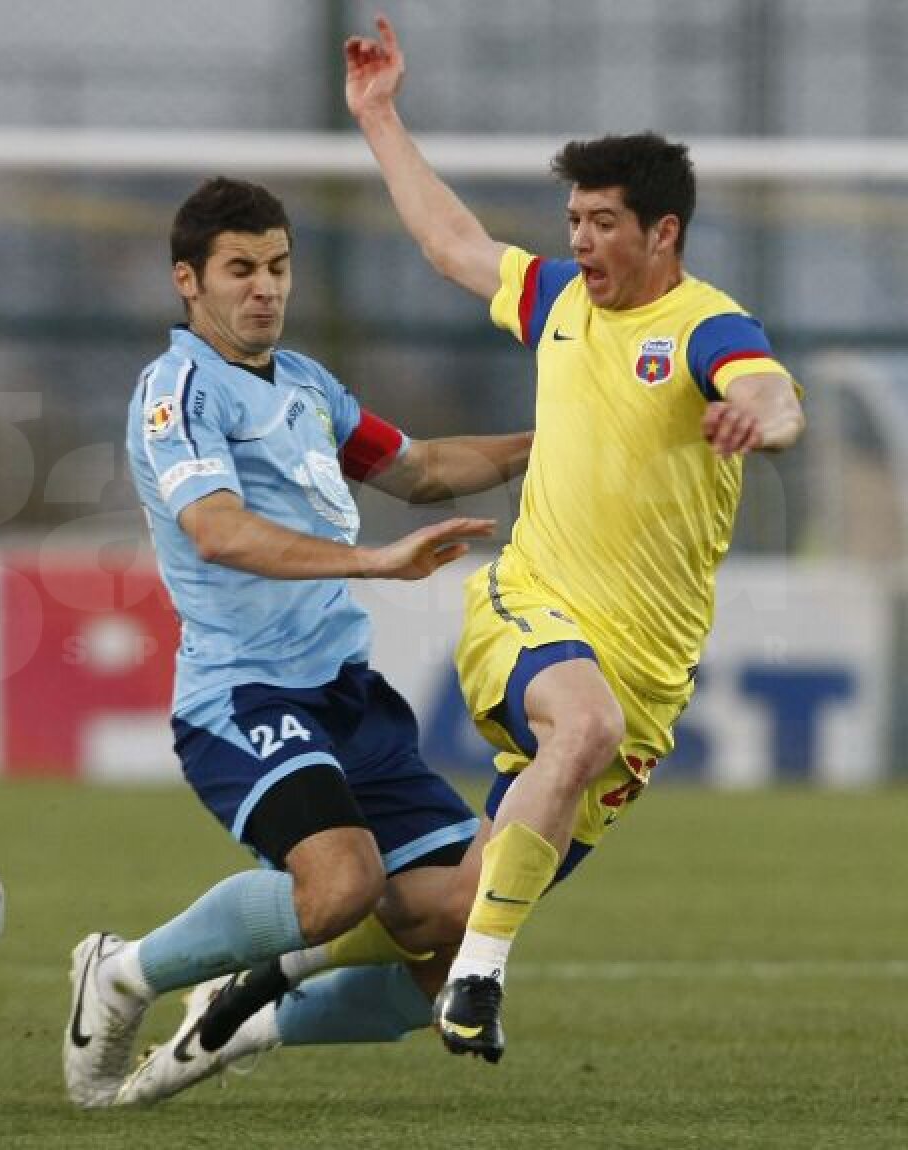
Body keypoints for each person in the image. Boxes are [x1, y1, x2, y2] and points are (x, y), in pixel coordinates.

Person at [115, 13, 806, 1101]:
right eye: (570, 220)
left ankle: (251, 1016)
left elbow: (764, 383)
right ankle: (472, 982)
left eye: (600, 223)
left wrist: (761, 418)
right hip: (530, 614)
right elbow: (450, 241)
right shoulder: (558, 303)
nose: (575, 242)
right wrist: (381, 117)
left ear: (663, 233)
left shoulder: (706, 325)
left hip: (648, 666)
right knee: (572, 734)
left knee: (449, 910)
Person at [63, 174, 534, 1108]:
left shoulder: (308, 385)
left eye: (278, 265)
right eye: (240, 269)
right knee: (340, 886)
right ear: (187, 282)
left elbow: (426, 469)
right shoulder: (178, 390)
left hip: (346, 699)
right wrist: (370, 560)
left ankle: (237, 1023)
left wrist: (563, 437)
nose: (265, 287)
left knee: (455, 933)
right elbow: (218, 530)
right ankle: (120, 971)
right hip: (242, 697)